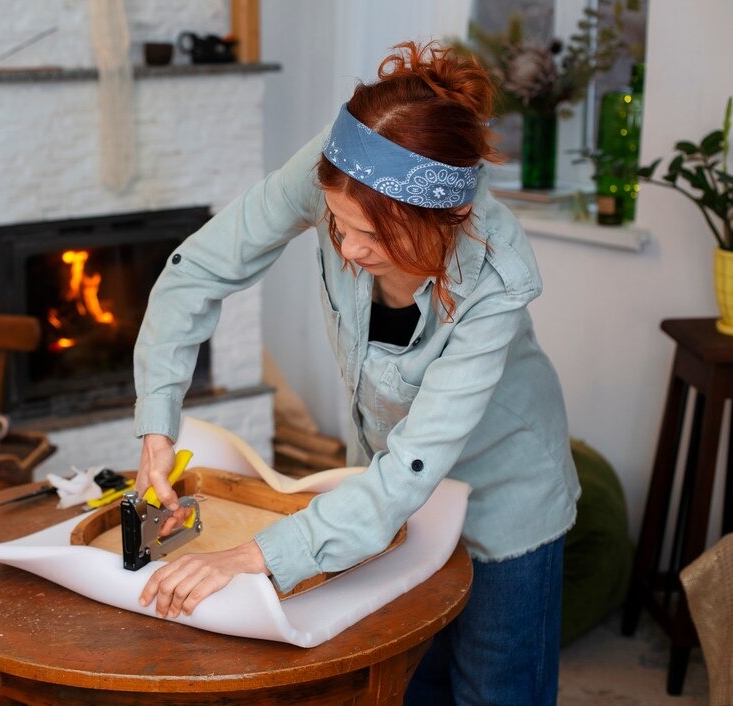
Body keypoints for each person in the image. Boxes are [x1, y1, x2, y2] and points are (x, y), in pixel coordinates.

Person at [132, 40, 580, 706]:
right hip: (370, 490)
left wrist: (253, 556)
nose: (347, 247)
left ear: (446, 221)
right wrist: (156, 427)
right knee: (403, 681)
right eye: (338, 225)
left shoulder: (497, 278)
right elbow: (196, 270)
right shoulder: (340, 170)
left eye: (375, 237)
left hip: (502, 495)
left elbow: (413, 470)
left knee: (494, 691)